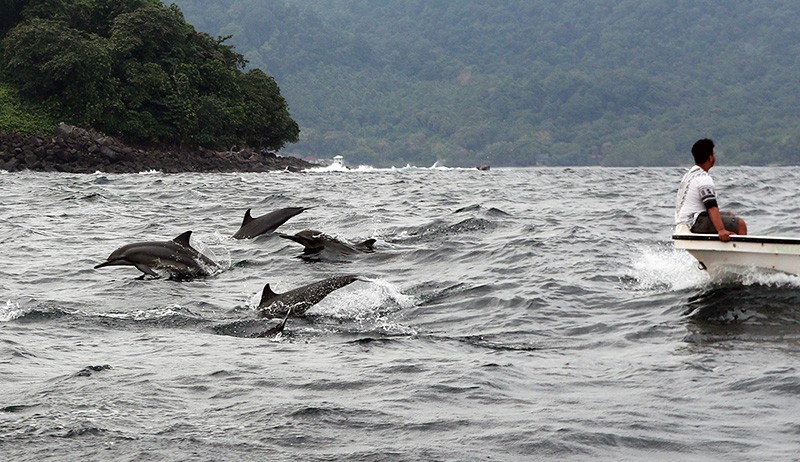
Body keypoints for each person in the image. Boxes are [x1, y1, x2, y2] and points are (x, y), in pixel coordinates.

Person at [674, 138, 747, 242]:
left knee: (731, 216)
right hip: (693, 223)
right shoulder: (703, 178)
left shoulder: (689, 174)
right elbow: (711, 206)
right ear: (710, 157)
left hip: (683, 221)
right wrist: (721, 230)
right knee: (740, 224)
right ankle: (737, 257)